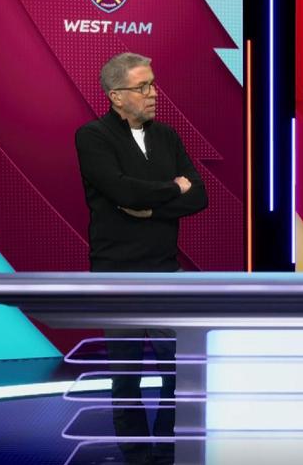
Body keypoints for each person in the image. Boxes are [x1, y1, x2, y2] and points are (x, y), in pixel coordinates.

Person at [76, 52, 208, 465]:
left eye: (152, 84)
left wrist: (151, 209)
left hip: (166, 271)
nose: (153, 93)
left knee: (179, 369)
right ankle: (135, 454)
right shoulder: (92, 137)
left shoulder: (167, 136)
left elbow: (200, 196)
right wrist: (173, 188)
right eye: (143, 86)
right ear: (116, 96)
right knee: (127, 375)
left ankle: (168, 448)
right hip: (117, 275)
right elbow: (121, 191)